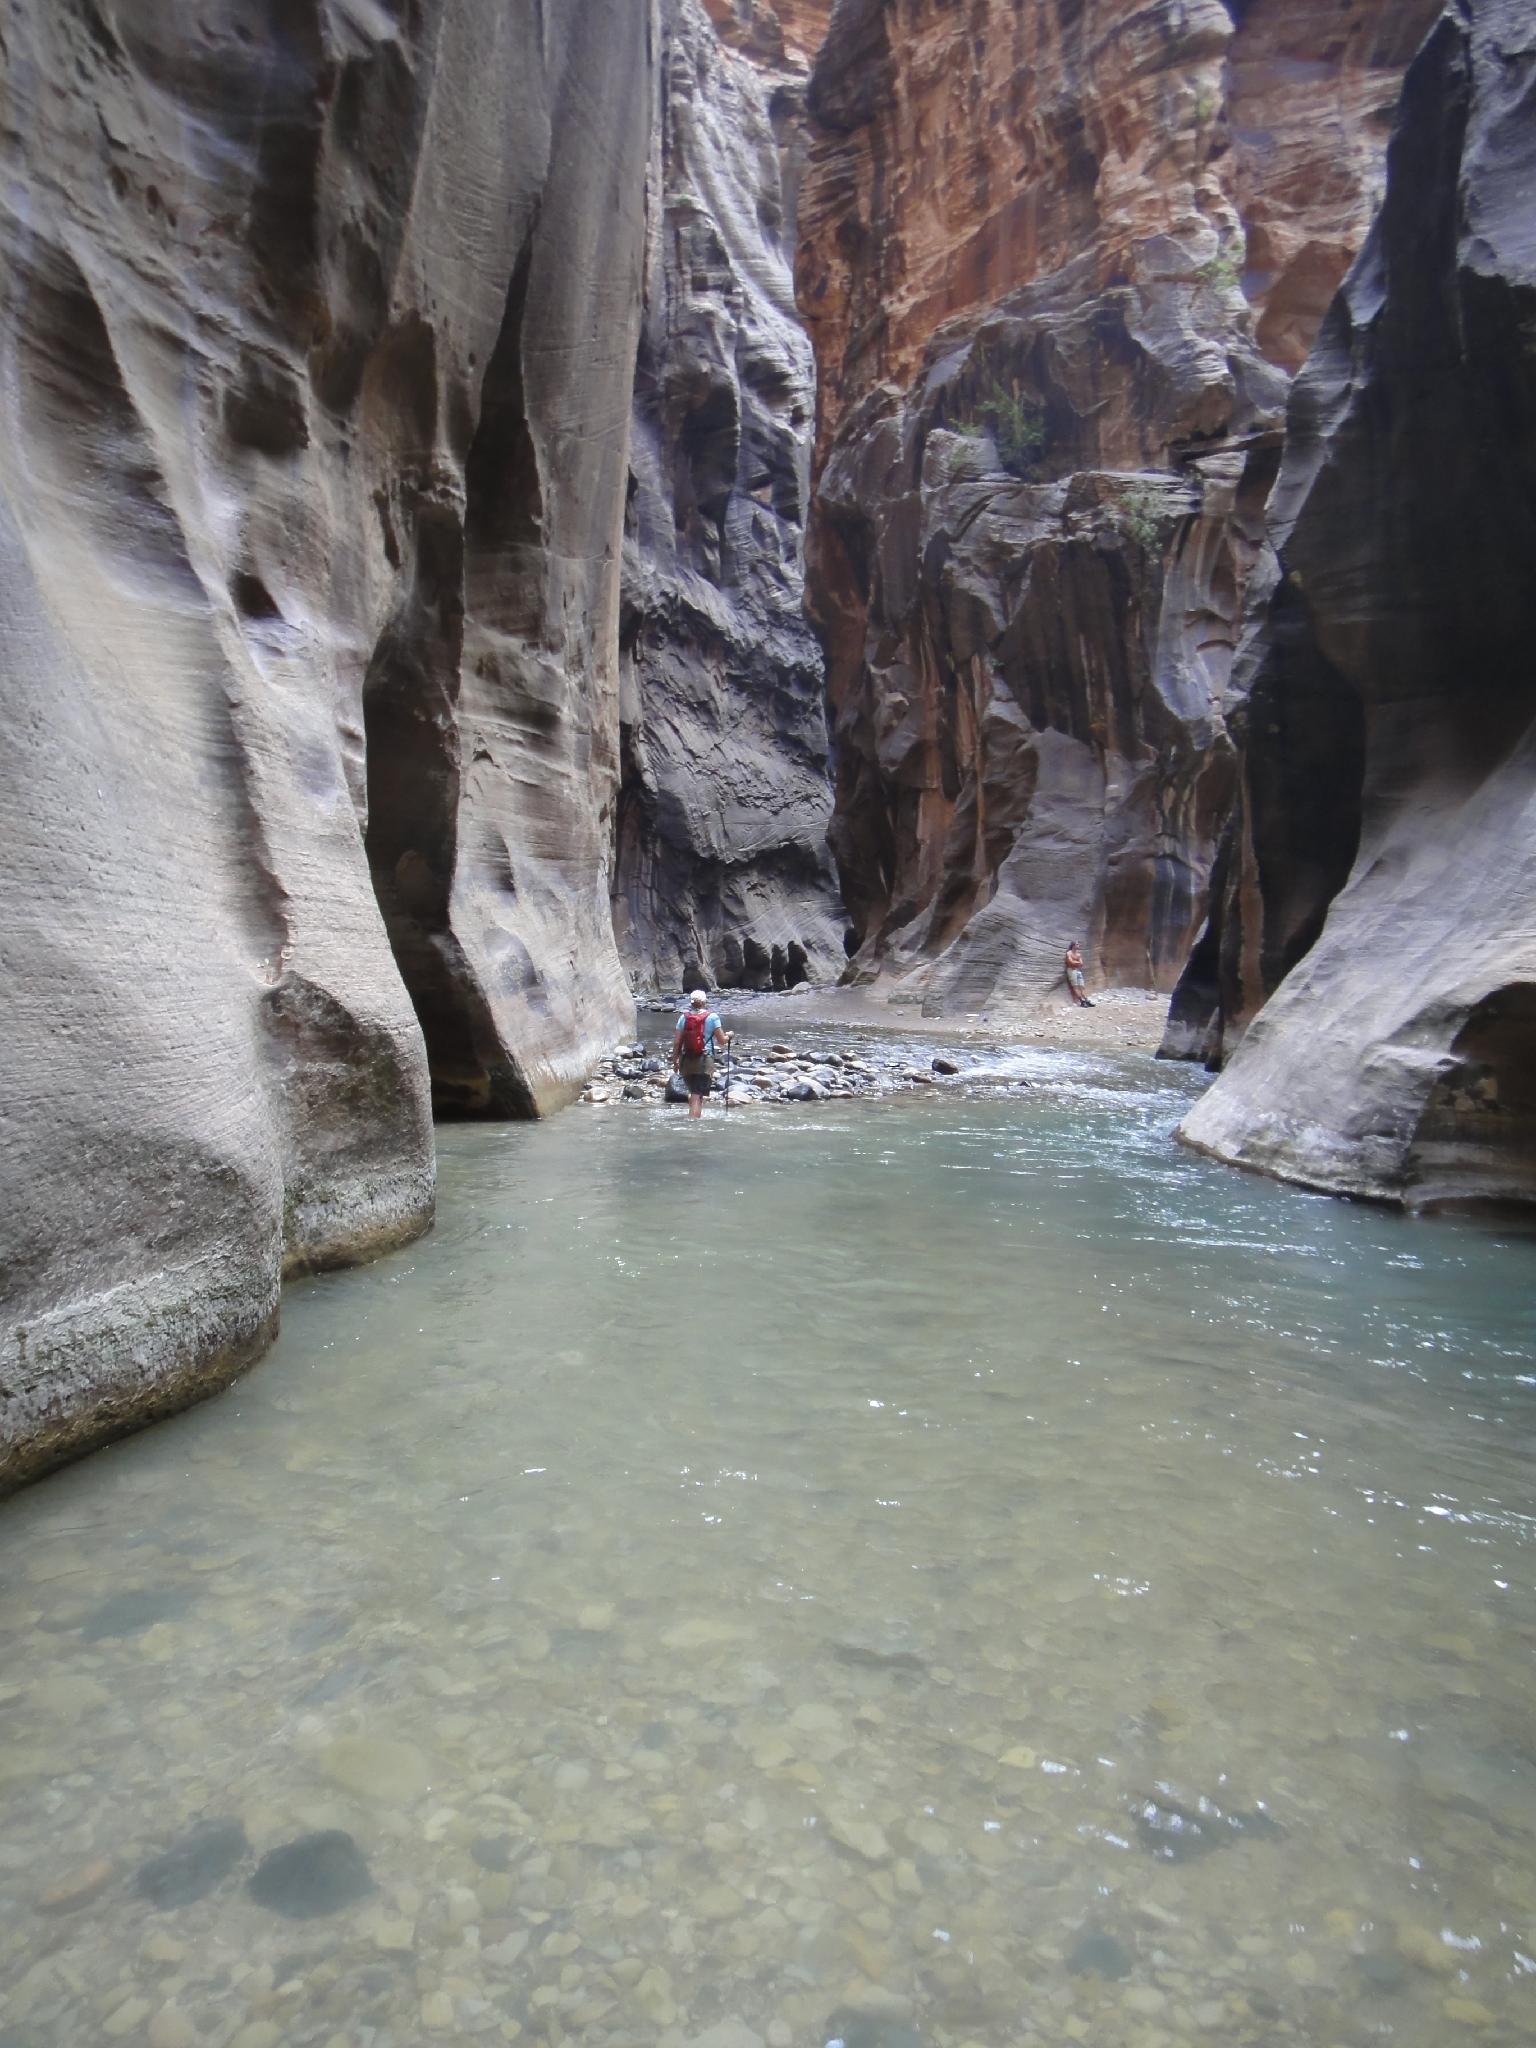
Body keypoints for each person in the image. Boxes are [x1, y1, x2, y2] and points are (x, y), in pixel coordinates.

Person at [671, 989, 732, 1118]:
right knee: (697, 1094)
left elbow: (677, 1042)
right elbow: (722, 1040)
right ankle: (693, 1122)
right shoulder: (713, 1017)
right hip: (704, 1059)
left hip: (686, 1059)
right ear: (704, 1002)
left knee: (693, 1091)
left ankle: (692, 1116)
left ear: (691, 1002)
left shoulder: (683, 1018)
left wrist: (675, 1061)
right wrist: (730, 1036)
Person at [1064, 941, 1094, 1008]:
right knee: (1075, 986)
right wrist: (1077, 962)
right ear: (1073, 945)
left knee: (1081, 986)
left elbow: (1081, 963)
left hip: (1077, 970)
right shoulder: (1069, 953)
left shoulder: (1078, 954)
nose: (1078, 945)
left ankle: (1086, 1000)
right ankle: (1082, 1001)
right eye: (1077, 944)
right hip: (1071, 970)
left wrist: (1075, 962)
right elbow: (1071, 962)